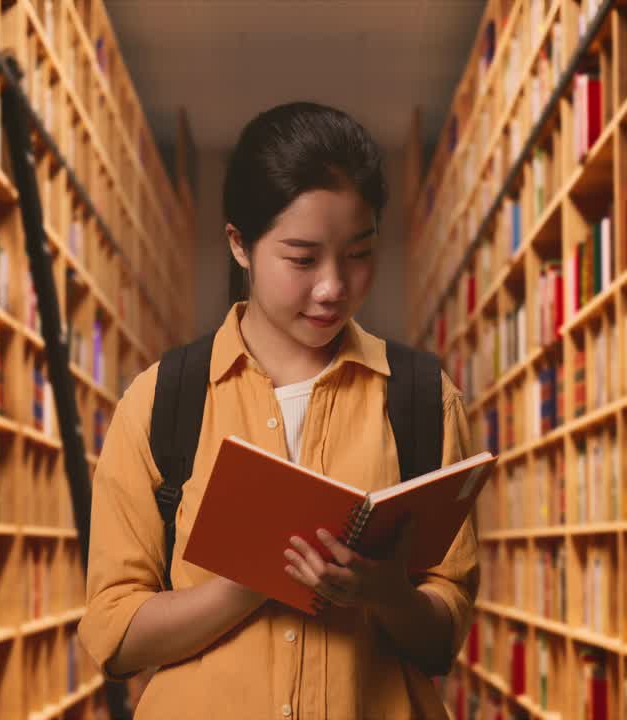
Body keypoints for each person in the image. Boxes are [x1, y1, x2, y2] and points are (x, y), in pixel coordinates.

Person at [79, 101, 478, 719]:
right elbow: (114, 637)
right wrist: (249, 584)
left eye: (359, 253)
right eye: (301, 258)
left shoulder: (423, 400)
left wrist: (388, 596)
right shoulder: (161, 402)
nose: (333, 287)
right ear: (240, 245)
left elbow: (444, 635)